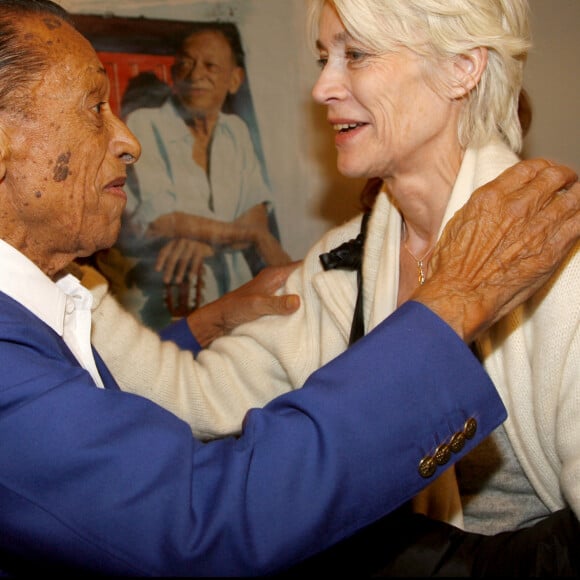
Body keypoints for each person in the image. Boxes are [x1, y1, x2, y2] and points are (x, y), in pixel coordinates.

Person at [1, 1, 579, 576]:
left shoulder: (560, 255)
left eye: (357, 54)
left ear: (463, 67)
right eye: (325, 58)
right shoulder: (339, 267)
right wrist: (65, 272)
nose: (323, 87)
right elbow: (198, 412)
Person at [96, 21, 291, 331]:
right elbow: (164, 222)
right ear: (174, 75)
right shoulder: (145, 124)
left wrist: (205, 242)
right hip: (159, 301)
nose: (196, 74)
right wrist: (251, 237)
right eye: (186, 63)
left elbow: (255, 218)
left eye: (210, 65)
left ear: (234, 79)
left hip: (234, 295)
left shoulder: (236, 132)